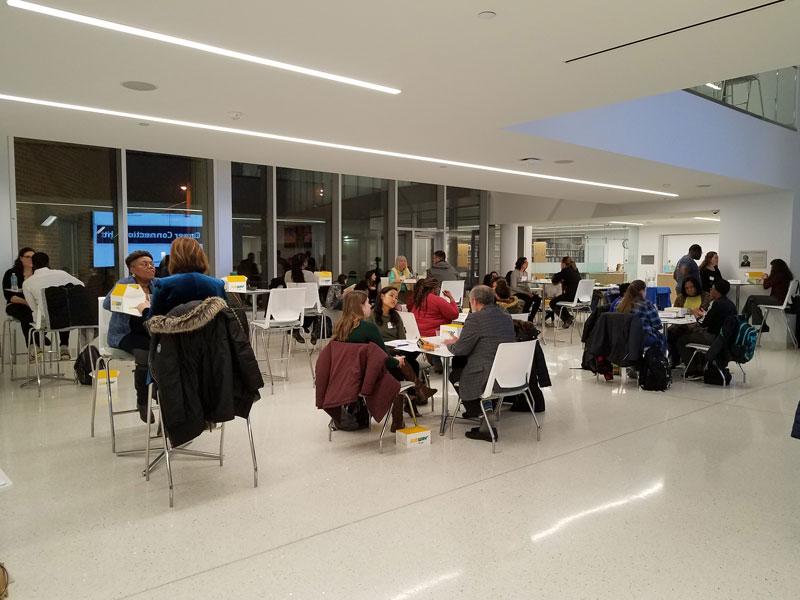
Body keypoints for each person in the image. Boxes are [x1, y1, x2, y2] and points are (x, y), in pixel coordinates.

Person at [443, 285, 515, 442]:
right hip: (507, 372)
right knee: (463, 368)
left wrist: (450, 343)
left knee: (456, 374)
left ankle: (482, 413)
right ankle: (484, 409)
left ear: (474, 301)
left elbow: (460, 349)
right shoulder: (505, 314)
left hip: (486, 373)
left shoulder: (476, 318)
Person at [332, 290, 408, 432]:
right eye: (367, 303)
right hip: (368, 379)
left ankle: (418, 393)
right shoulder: (368, 328)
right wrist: (397, 361)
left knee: (397, 363)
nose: (370, 306)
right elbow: (384, 359)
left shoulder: (339, 327)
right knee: (398, 372)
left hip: (347, 377)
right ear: (360, 306)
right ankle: (398, 420)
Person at [102, 250, 158, 421]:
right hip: (126, 333)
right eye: (144, 264)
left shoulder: (157, 284)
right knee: (144, 353)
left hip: (151, 331)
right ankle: (143, 400)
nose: (150, 267)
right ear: (132, 269)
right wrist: (131, 299)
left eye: (151, 263)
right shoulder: (125, 283)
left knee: (166, 350)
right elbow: (107, 304)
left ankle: (159, 391)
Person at [370, 286, 436, 404]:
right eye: (391, 296)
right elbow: (371, 340)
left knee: (409, 359)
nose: (394, 299)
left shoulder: (396, 316)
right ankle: (417, 393)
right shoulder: (371, 316)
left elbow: (402, 338)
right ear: (382, 296)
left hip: (397, 350)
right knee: (413, 364)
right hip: (381, 351)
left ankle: (413, 396)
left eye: (396, 297)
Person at [21, 252, 83, 359]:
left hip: (44, 322)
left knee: (30, 318)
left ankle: (35, 347)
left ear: (33, 264)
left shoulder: (27, 283)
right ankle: (64, 347)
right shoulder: (62, 274)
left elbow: (32, 307)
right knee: (62, 311)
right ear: (48, 262)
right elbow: (81, 285)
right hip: (66, 321)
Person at [145, 238, 226, 318]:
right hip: (212, 330)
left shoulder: (163, 284)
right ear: (201, 256)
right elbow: (223, 316)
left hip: (175, 330)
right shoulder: (218, 284)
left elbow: (153, 321)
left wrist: (144, 309)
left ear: (174, 258)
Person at [676, 279, 737, 373]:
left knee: (681, 340)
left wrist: (699, 316)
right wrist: (704, 315)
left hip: (714, 338)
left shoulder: (717, 304)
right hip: (724, 338)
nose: (710, 290)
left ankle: (692, 370)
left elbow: (705, 323)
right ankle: (699, 364)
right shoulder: (730, 304)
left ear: (717, 291)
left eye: (712, 288)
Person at [741, 258, 795, 332]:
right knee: (753, 302)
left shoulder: (779, 275)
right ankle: (761, 325)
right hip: (779, 299)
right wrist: (768, 277)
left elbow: (766, 286)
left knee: (751, 297)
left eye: (772, 267)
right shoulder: (783, 275)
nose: (771, 268)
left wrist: (765, 278)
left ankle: (744, 318)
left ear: (776, 267)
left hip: (777, 300)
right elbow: (770, 283)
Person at [666, 277, 709, 363]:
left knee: (681, 335)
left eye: (692, 287)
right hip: (680, 324)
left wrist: (694, 313)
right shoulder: (680, 297)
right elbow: (676, 311)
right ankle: (674, 358)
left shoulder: (705, 296)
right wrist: (690, 311)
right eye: (687, 288)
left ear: (696, 286)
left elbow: (703, 313)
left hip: (697, 325)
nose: (689, 289)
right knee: (669, 333)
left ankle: (689, 361)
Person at [3, 247, 36, 359]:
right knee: (27, 313)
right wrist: (27, 302)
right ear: (21, 258)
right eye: (28, 257)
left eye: (33, 257)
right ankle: (33, 345)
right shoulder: (11, 274)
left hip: (35, 307)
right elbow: (10, 296)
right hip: (15, 305)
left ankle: (34, 345)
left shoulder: (38, 274)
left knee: (38, 314)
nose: (31, 259)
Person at [616, 280, 666, 353]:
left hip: (622, 337)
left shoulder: (620, 304)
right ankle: (658, 362)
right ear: (642, 291)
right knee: (662, 337)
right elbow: (657, 325)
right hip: (641, 337)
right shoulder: (646, 304)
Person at [284, 253, 318, 343]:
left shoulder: (288, 274)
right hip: (309, 313)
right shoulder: (310, 274)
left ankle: (296, 330)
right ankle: (315, 331)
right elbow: (315, 289)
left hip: (294, 312)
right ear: (304, 263)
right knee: (319, 310)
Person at [547, 256, 581, 328]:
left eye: (561, 263)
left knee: (552, 302)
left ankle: (567, 318)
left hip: (571, 296)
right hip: (578, 297)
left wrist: (561, 271)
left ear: (563, 264)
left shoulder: (566, 270)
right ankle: (568, 317)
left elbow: (554, 280)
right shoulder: (576, 270)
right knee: (559, 300)